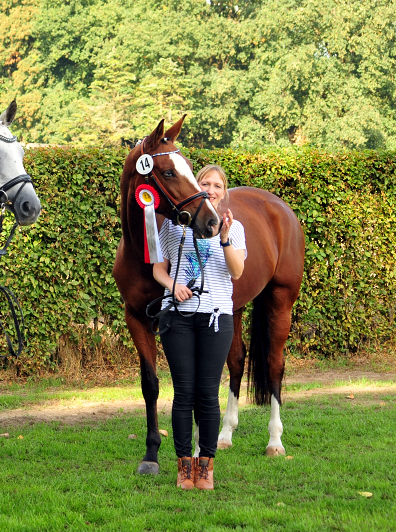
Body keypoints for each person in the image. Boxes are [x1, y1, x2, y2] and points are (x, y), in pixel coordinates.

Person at [152, 164, 246, 491]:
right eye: (205, 182)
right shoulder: (175, 228)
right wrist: (173, 283)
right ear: (196, 186)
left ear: (224, 191)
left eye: (217, 185)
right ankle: (183, 466)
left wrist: (224, 239)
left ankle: (205, 466)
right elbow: (158, 271)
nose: (211, 188)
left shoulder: (235, 228)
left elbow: (236, 272)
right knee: (184, 394)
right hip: (177, 317)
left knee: (207, 394)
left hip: (216, 318)